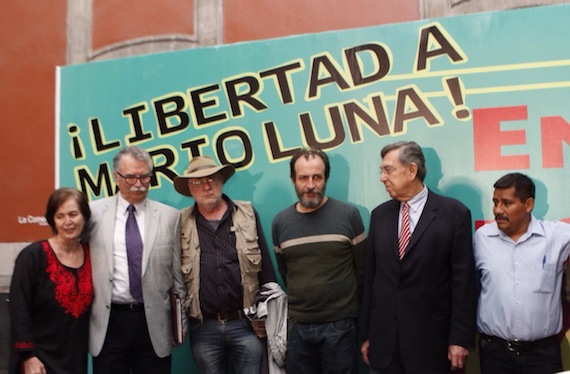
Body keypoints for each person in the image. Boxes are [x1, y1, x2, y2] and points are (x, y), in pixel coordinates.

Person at [360, 141, 477, 373]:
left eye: (388, 170)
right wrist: (366, 334)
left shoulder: (454, 214)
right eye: (381, 171)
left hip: (433, 347)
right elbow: (371, 279)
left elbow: (464, 284)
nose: (382, 177)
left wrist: (460, 339)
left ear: (412, 170)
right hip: (385, 348)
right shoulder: (379, 216)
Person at [173, 155, 277, 374]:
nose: (206, 186)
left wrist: (267, 317)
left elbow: (266, 269)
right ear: (190, 189)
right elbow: (173, 277)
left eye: (212, 179)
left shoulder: (247, 213)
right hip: (203, 327)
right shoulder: (179, 223)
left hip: (246, 323)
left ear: (221, 181)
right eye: (198, 182)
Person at [88, 145, 186, 374]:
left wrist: (179, 325)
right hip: (109, 322)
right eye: (131, 177)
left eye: (145, 176)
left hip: (154, 322)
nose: (139, 183)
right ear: (116, 177)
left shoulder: (169, 216)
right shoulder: (93, 213)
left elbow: (177, 275)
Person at [272, 147, 367, 373]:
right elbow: (285, 271)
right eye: (303, 178)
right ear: (293, 180)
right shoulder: (280, 222)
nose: (311, 184)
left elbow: (362, 270)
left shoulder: (349, 215)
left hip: (340, 325)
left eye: (317, 177)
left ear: (326, 178)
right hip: (297, 326)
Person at [475, 173, 570, 373]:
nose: (497, 210)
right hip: (494, 354)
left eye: (506, 203)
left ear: (528, 205)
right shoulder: (482, 238)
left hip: (542, 356)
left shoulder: (557, 236)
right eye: (495, 202)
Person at [9, 187, 93, 374]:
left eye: (73, 214)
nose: (68, 222)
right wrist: (28, 356)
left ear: (84, 217)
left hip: (75, 358)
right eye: (60, 216)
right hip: (39, 360)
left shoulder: (92, 256)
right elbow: (19, 308)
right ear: (52, 221)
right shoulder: (33, 256)